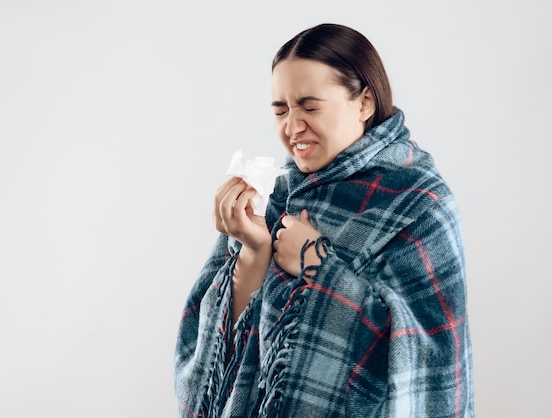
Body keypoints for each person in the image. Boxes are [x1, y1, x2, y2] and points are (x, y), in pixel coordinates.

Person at [174, 23, 474, 417]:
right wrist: (253, 252)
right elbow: (211, 364)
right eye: (280, 110)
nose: (291, 127)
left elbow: (430, 361)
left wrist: (317, 266)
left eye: (310, 107)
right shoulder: (276, 196)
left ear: (364, 102)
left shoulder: (419, 205)